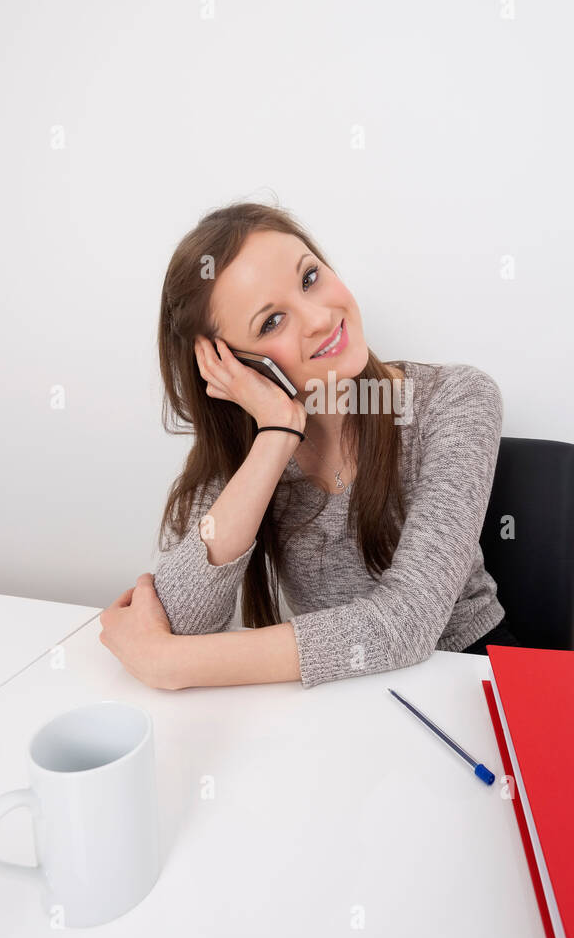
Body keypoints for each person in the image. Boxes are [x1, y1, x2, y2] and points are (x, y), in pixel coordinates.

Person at [98, 201, 518, 690]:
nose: (319, 318)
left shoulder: (457, 399)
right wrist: (277, 433)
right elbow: (181, 619)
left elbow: (407, 624)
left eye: (309, 278)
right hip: (337, 695)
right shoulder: (249, 454)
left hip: (470, 678)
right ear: (232, 365)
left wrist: (172, 664)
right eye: (271, 322)